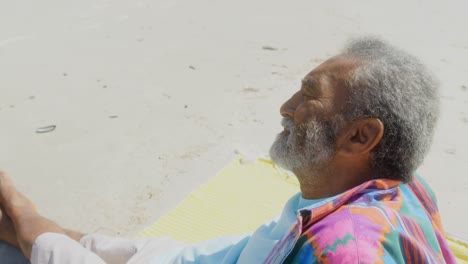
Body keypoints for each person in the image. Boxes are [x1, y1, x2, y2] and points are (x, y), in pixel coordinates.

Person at [0, 36, 456, 263]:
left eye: (308, 95)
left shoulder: (343, 250)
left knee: (43, 242)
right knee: (122, 249)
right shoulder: (402, 188)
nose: (287, 108)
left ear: (360, 137)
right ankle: (36, 226)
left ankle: (21, 215)